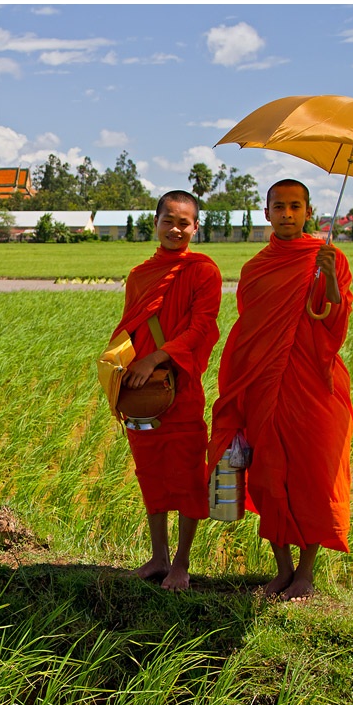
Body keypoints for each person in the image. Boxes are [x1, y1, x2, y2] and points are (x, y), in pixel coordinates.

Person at [206, 178, 353, 602]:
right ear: (265, 212)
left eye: (295, 206)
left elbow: (333, 326)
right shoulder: (256, 268)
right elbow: (250, 332)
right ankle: (282, 569)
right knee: (268, 476)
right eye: (279, 206)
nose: (287, 214)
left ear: (308, 211)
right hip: (264, 385)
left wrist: (326, 279)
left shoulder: (329, 258)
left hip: (314, 385)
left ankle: (306, 573)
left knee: (312, 475)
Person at [112, 190, 222, 590]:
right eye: (168, 220)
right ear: (155, 222)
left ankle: (181, 563)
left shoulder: (203, 271)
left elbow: (201, 328)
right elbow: (131, 328)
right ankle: (157, 557)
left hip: (181, 386)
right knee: (151, 473)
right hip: (144, 392)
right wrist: (120, 371)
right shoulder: (141, 275)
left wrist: (156, 358)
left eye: (184, 222)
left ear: (195, 227)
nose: (176, 229)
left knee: (189, 475)